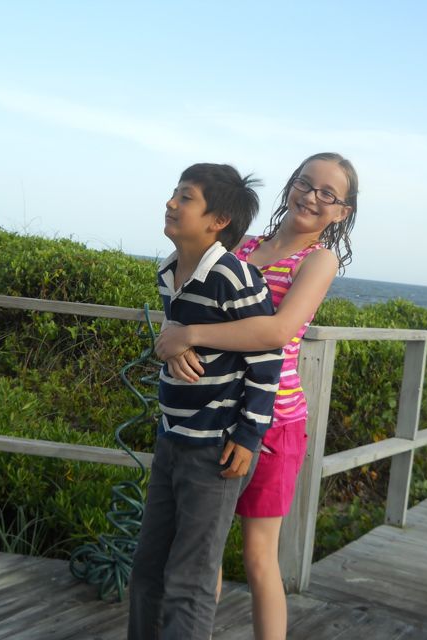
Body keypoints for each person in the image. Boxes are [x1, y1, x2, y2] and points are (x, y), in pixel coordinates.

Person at [155, 152, 358, 640]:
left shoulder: (319, 260)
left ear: (341, 212)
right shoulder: (243, 246)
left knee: (258, 556)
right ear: (290, 185)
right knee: (203, 550)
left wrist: (189, 336)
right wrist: (172, 337)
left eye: (327, 194)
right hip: (216, 415)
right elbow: (190, 299)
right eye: (305, 184)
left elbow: (279, 331)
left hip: (275, 423)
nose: (311, 197)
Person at [127, 163, 284, 640]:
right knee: (148, 570)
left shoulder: (234, 276)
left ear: (218, 221)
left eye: (186, 197)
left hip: (214, 449)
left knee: (190, 581)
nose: (171, 203)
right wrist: (174, 347)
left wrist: (249, 436)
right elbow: (180, 338)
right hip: (172, 436)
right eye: (174, 193)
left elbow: (267, 356)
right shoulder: (169, 271)